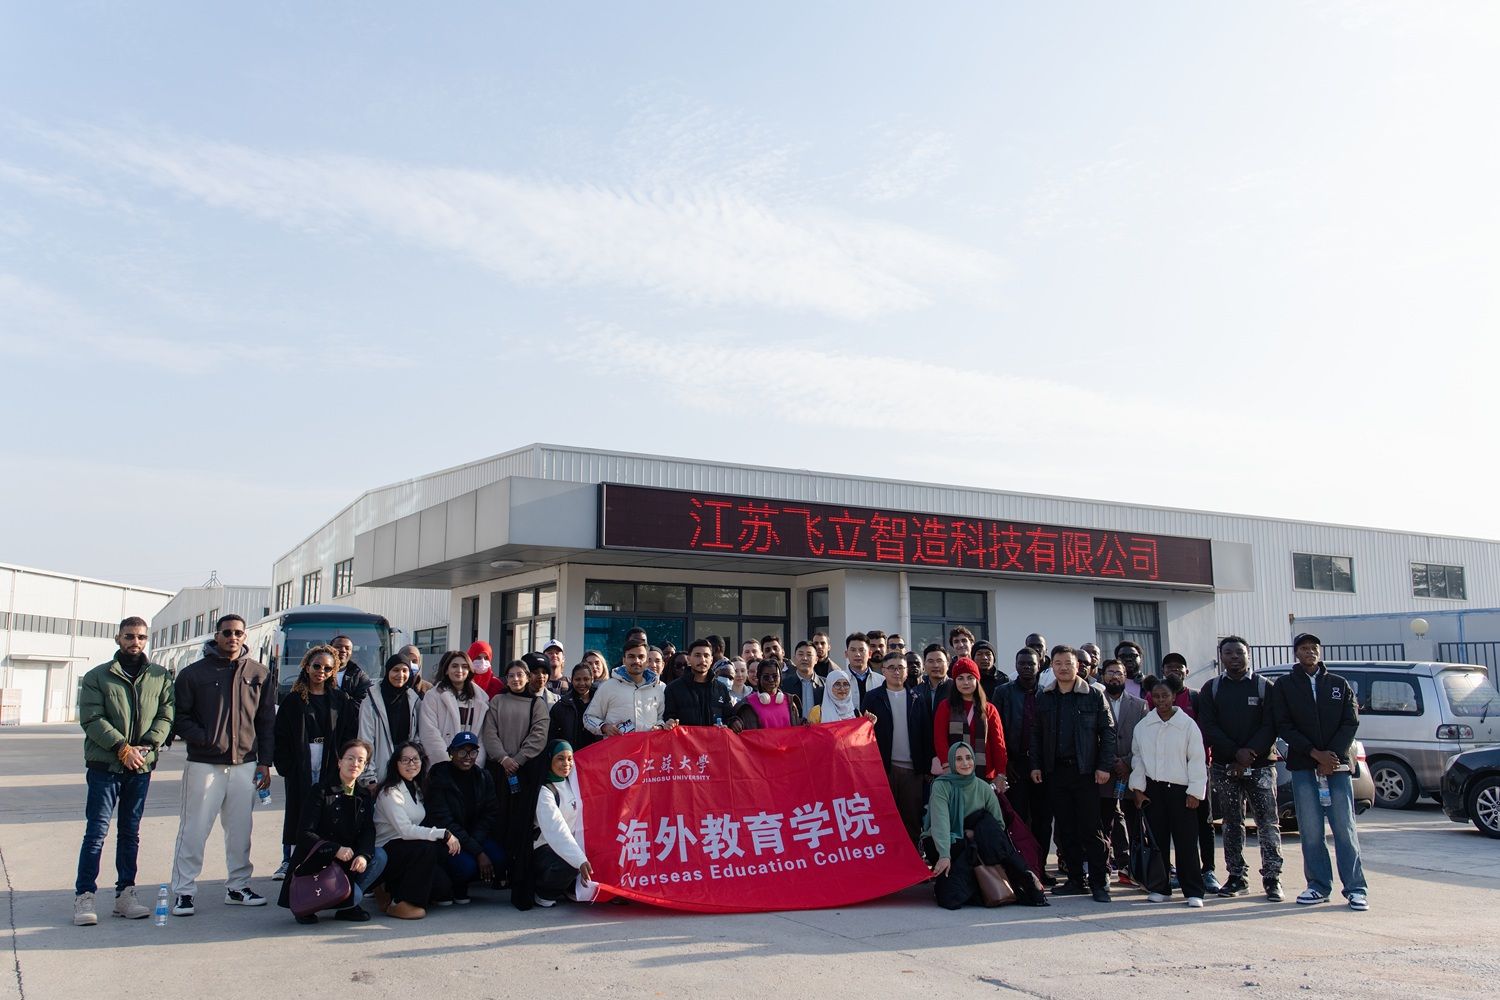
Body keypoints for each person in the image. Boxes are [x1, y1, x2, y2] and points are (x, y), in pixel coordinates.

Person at [169, 613, 275, 916]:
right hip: (204, 764)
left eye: (238, 633)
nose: (232, 637)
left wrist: (265, 762)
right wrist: (206, 739)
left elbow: (266, 721)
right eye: (227, 632)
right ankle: (184, 891)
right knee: (194, 828)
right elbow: (179, 717)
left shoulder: (259, 673)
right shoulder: (193, 674)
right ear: (217, 636)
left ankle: (238, 887)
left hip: (246, 764)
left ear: (245, 636)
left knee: (240, 830)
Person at [74, 617, 175, 925]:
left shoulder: (160, 676)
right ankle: (84, 896)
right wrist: (122, 748)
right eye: (129, 636)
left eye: (141, 637)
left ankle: (125, 895)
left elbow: (166, 715)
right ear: (118, 638)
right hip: (105, 767)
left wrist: (146, 746)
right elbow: (92, 718)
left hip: (140, 767)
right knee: (96, 832)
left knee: (130, 833)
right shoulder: (98, 676)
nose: (135, 642)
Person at [1271, 633, 1367, 910]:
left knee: (1344, 829)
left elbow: (1351, 721)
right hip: (1304, 766)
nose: (1310, 652)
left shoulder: (1338, 684)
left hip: (1337, 767)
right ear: (1296, 653)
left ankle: (1356, 889)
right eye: (1304, 648)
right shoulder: (1285, 686)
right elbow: (1283, 725)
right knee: (1311, 830)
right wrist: (1314, 754)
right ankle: (1318, 886)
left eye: (1314, 648)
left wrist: (1331, 756)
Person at [1197, 636, 1284, 900]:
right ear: (1221, 656)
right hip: (1225, 766)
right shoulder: (1212, 688)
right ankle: (1236, 876)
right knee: (1231, 823)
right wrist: (1235, 753)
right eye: (1228, 652)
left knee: (1267, 823)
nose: (1234, 657)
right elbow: (1209, 726)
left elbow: (1271, 724)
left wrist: (1250, 753)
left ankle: (1272, 878)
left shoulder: (1264, 687)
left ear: (1248, 655)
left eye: (1239, 652)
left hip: (1260, 766)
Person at [1030, 645, 1116, 903]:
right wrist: (1036, 765)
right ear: (1052, 667)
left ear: (1078, 666)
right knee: (1066, 830)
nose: (1064, 668)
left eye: (1068, 663)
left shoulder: (1094, 695)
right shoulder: (1044, 697)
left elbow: (1108, 732)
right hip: (1056, 772)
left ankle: (1099, 882)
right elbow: (1036, 734)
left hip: (1086, 772)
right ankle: (1076, 880)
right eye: (1058, 663)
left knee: (1091, 829)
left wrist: (1104, 766)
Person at [926, 742, 1049, 910]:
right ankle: (1021, 872)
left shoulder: (983, 787)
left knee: (986, 824)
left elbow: (998, 825)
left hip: (979, 843)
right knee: (949, 896)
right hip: (948, 842)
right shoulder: (941, 785)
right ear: (951, 762)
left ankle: (1023, 874)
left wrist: (974, 835)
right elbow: (940, 823)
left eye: (968, 758)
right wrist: (944, 855)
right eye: (959, 759)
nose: (965, 763)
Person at [273, 645, 358, 880]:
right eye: (317, 666)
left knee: (327, 809)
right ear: (307, 667)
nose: (321, 671)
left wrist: (344, 760)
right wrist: (287, 766)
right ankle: (290, 860)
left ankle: (325, 860)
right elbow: (280, 736)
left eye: (327, 668)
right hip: (301, 760)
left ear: (334, 671)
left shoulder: (340, 699)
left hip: (330, 759)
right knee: (299, 810)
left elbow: (349, 732)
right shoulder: (293, 700)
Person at [278, 738, 383, 924]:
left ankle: (346, 906)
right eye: (350, 758)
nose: (355, 764)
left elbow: (368, 831)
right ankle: (311, 903)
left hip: (347, 859)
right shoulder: (320, 791)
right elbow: (304, 833)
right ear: (339, 762)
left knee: (379, 856)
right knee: (339, 895)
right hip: (319, 858)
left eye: (361, 760)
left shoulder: (364, 795)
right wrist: (334, 849)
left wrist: (363, 855)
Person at [1130, 678, 1210, 907]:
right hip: (1154, 791)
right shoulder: (1143, 726)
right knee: (1158, 842)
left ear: (1174, 696)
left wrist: (1195, 792)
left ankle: (1193, 891)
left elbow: (1197, 759)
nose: (1161, 700)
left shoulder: (1187, 725)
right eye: (1156, 696)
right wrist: (1138, 789)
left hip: (1181, 791)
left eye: (1165, 696)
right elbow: (1138, 759)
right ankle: (1160, 887)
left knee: (1186, 843)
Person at [373, 741, 460, 919]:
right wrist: (442, 833)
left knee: (442, 888)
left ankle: (391, 889)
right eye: (405, 760)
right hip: (388, 849)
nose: (411, 764)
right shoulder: (389, 792)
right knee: (427, 847)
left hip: (407, 848)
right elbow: (405, 830)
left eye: (415, 759)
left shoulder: (417, 787)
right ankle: (400, 903)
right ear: (396, 763)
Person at [1159, 652, 1220, 894]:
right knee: (1174, 824)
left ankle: (1208, 870)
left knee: (1204, 822)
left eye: (1179, 667)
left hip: (1197, 768)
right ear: (1163, 671)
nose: (1174, 670)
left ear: (1187, 671)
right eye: (1169, 667)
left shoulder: (1197, 697)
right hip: (1168, 772)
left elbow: (1208, 729)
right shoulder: (1157, 697)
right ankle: (1174, 872)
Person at [995, 647, 1052, 885]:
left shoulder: (1047, 694)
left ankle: (1040, 867)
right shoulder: (1003, 692)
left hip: (1041, 766)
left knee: (1042, 820)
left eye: (1031, 664)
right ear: (1016, 665)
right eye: (1022, 663)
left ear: (1039, 666)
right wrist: (1005, 762)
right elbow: (996, 730)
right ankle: (1019, 868)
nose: (1026, 667)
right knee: (1016, 819)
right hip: (1014, 764)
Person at [424, 731, 502, 903]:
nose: (467, 757)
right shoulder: (439, 777)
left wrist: (475, 844)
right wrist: (478, 852)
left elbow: (490, 813)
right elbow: (444, 820)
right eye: (461, 752)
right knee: (467, 866)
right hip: (447, 839)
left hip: (473, 836)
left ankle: (464, 881)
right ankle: (450, 886)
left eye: (472, 752)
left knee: (498, 858)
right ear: (451, 752)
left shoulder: (483, 777)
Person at [864, 651, 933, 846]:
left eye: (900, 668)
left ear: (906, 671)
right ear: (883, 671)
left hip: (912, 769)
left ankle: (913, 856)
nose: (896, 672)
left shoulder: (917, 697)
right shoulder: (873, 697)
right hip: (884, 769)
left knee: (912, 818)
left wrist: (926, 767)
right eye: (891, 668)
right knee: (884, 817)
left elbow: (926, 733)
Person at [1099, 658, 1148, 885]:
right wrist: (1111, 761)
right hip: (1104, 772)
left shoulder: (1140, 705)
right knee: (1104, 824)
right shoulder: (1094, 700)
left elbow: (1145, 739)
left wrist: (1126, 762)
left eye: (1118, 673)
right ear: (1103, 676)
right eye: (1110, 672)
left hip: (1132, 771)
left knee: (1134, 824)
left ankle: (1135, 869)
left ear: (1125, 676)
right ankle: (1103, 869)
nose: (1114, 677)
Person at [532, 741, 598, 907]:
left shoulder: (572, 783)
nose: (566, 764)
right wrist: (579, 859)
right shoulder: (545, 791)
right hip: (546, 848)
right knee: (570, 864)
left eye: (570, 759)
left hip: (569, 845)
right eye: (560, 758)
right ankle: (544, 893)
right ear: (549, 760)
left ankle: (569, 887)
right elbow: (557, 830)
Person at [931, 658, 1007, 783]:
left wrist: (1001, 773)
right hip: (954, 771)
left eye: (970, 678)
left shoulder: (989, 709)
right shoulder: (945, 707)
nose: (965, 682)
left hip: (985, 773)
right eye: (960, 678)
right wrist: (946, 764)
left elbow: (998, 743)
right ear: (954, 681)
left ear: (977, 680)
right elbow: (940, 739)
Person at [359, 654, 423, 787]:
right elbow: (365, 741)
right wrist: (369, 777)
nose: (400, 675)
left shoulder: (414, 699)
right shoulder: (371, 701)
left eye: (405, 670)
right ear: (387, 671)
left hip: (407, 769)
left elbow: (417, 735)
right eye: (395, 670)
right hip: (379, 769)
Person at [419, 650, 490, 769]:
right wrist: (447, 765)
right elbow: (430, 734)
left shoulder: (481, 699)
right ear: (446, 670)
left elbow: (482, 738)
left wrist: (474, 766)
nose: (460, 670)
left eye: (464, 666)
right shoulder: (433, 696)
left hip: (471, 768)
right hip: (442, 767)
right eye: (454, 666)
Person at [585, 638, 669, 736]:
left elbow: (661, 718)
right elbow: (588, 717)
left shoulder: (657, 688)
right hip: (618, 745)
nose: (636, 661)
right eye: (631, 656)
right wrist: (604, 727)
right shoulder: (608, 687)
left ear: (646, 661)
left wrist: (660, 726)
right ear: (624, 660)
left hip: (648, 745)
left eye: (641, 657)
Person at [665, 638, 739, 728]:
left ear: (711, 660)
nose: (702, 660)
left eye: (706, 655)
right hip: (684, 737)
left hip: (715, 737)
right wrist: (670, 722)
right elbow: (668, 717)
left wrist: (733, 723)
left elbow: (729, 717)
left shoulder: (721, 688)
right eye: (697, 655)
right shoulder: (673, 688)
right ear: (689, 659)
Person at [735, 661, 806, 730]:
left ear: (780, 677)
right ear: (759, 678)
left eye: (775, 676)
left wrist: (804, 723)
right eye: (766, 677)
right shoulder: (747, 704)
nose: (771, 680)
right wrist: (734, 722)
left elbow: (797, 727)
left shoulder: (790, 701)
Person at [549, 662, 599, 751]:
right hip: (571, 756)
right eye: (578, 679)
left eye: (586, 679)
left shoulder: (601, 702)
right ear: (572, 680)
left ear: (592, 679)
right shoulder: (561, 706)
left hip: (596, 754)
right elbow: (553, 737)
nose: (582, 683)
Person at [781, 640, 824, 717]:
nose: (804, 658)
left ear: (816, 660)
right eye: (800, 654)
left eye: (809, 655)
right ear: (794, 658)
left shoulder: (825, 685)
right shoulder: (784, 685)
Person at [330, 635, 373, 705]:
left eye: (347, 648)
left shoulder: (359, 676)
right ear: (329, 649)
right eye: (338, 647)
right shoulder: (318, 672)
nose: (343, 650)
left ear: (351, 652)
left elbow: (364, 704)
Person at [915, 644, 951, 716]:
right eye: (930, 661)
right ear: (924, 665)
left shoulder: (956, 688)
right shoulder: (917, 691)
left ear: (947, 664)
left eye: (939, 661)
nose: (935, 665)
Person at [843, 632, 877, 706]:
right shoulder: (838, 680)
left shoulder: (881, 680)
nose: (857, 654)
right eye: (853, 650)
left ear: (870, 654)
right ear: (846, 654)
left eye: (861, 650)